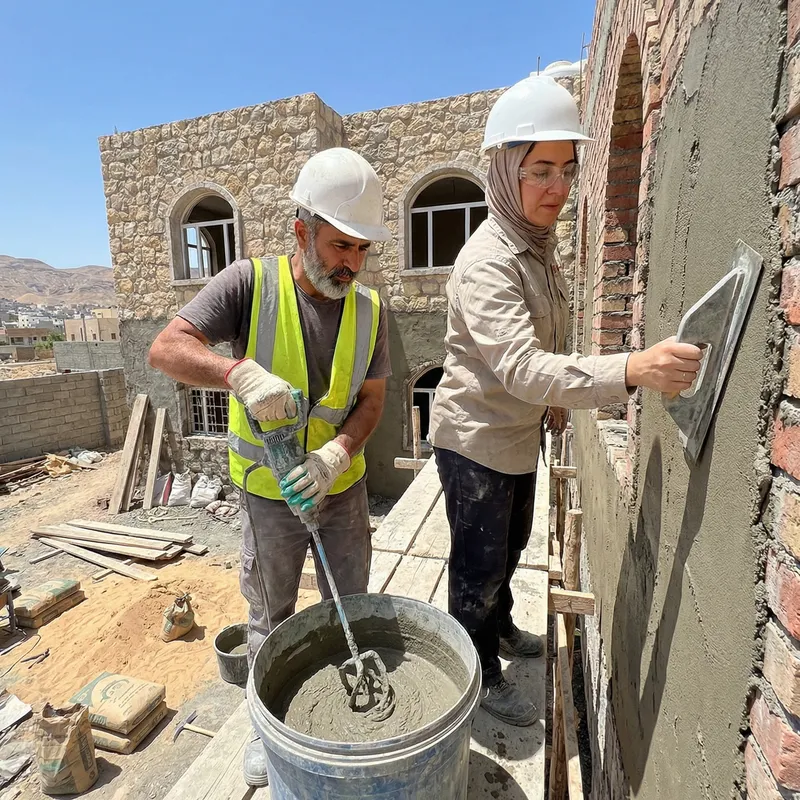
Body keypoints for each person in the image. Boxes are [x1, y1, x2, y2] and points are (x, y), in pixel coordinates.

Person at [428, 75, 703, 727]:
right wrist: (632, 368)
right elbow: (522, 366)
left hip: (517, 433)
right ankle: (477, 672)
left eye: (568, 170)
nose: (557, 187)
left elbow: (539, 344)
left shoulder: (535, 249)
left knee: (513, 543)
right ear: (504, 170)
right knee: (477, 563)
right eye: (540, 170)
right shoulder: (489, 261)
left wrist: (555, 402)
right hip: (474, 442)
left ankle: (498, 628)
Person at [148, 147, 392, 786]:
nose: (352, 264)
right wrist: (235, 370)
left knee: (356, 604)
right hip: (266, 497)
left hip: (342, 489)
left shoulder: (370, 311)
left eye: (363, 250)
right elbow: (166, 348)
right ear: (302, 230)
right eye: (341, 245)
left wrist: (339, 450)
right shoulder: (248, 284)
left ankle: (349, 719)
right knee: (270, 618)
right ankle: (269, 735)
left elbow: (371, 403)